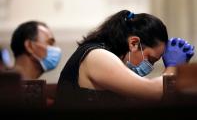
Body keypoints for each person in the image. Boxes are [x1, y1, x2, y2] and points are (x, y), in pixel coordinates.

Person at [55, 10, 194, 110]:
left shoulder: (103, 54)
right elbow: (154, 92)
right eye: (150, 59)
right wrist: (174, 66)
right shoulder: (98, 56)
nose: (149, 66)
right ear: (134, 43)